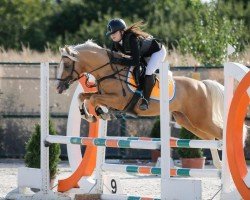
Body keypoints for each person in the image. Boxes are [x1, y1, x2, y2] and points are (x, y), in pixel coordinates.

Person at [106, 18, 166, 110]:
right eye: (111, 34)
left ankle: (145, 100)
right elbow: (111, 58)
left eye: (114, 33)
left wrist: (119, 61)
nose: (112, 36)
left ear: (122, 31)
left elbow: (135, 62)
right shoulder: (116, 43)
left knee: (148, 72)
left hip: (157, 52)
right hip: (143, 54)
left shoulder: (132, 39)